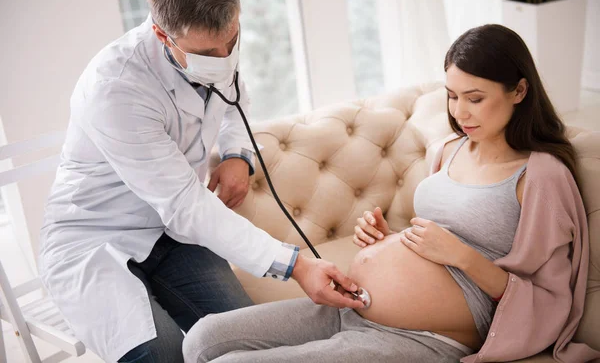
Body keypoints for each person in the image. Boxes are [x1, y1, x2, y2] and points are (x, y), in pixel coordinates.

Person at [181, 24, 600, 363]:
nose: (460, 112)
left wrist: (460, 255)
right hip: (350, 306)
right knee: (202, 339)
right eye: (452, 97)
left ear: (519, 92)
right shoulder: (445, 152)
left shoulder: (541, 173)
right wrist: (387, 241)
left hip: (428, 337)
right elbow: (431, 239)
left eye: (476, 98)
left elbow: (549, 296)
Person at [37, 0, 364, 362]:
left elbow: (234, 103)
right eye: (209, 53)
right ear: (162, 34)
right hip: (96, 238)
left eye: (231, 41)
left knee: (249, 342)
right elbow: (185, 205)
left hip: (173, 235)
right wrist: (295, 265)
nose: (225, 58)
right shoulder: (115, 88)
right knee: (165, 354)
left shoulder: (216, 46)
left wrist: (236, 155)